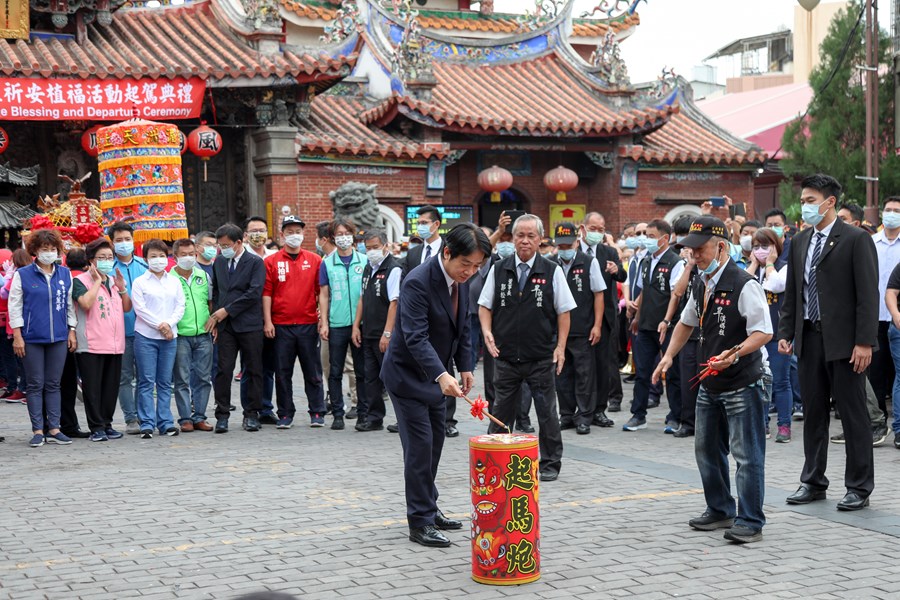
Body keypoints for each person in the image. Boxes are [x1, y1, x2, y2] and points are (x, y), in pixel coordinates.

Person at [653, 215, 772, 544]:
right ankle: (720, 508)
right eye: (690, 250)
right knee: (706, 448)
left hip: (741, 380)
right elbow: (685, 322)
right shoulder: (699, 281)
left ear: (721, 247)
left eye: (700, 249)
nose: (694, 256)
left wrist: (733, 354)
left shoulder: (744, 283)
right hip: (710, 381)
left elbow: (763, 331)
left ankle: (750, 519)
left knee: (746, 454)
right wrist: (668, 355)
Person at [382, 223, 489, 548]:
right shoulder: (417, 282)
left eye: (476, 266)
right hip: (408, 376)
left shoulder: (460, 282)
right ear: (447, 253)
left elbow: (464, 328)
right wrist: (442, 374)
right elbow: (415, 336)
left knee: (436, 443)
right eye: (465, 264)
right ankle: (420, 521)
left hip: (436, 377)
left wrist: (466, 367)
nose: (470, 272)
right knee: (420, 447)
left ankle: (430, 505)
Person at [780, 174, 878, 512]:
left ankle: (859, 486)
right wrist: (786, 332)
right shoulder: (799, 242)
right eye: (804, 200)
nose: (805, 206)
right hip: (809, 337)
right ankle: (813, 481)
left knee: (853, 415)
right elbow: (795, 291)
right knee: (814, 413)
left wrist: (864, 342)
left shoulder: (855, 239)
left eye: (810, 200)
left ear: (829, 202)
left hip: (846, 343)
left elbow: (868, 295)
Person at [479, 214, 574, 481]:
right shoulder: (499, 268)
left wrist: (560, 347)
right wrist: (487, 331)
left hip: (541, 356)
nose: (525, 241)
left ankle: (550, 464)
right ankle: (492, 462)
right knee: (500, 414)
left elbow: (564, 311)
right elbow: (485, 305)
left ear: (540, 239)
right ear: (512, 237)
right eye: (520, 235)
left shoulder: (551, 269)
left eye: (531, 236)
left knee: (546, 414)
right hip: (506, 357)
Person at [10, 229, 77, 447]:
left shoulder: (65, 274)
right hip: (31, 337)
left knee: (53, 383)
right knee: (35, 383)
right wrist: (17, 335)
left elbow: (69, 306)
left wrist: (72, 330)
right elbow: (15, 306)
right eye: (44, 249)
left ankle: (55, 428)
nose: (49, 253)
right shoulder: (23, 274)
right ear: (35, 251)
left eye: (52, 249)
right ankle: (38, 429)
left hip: (58, 336)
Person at [262, 215, 325, 429]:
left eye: (297, 231)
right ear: (281, 235)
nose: (294, 236)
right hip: (281, 325)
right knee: (282, 372)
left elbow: (322, 293)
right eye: (289, 232)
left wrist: (321, 319)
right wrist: (268, 322)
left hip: (308, 324)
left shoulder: (315, 260)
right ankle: (285, 413)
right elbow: (267, 294)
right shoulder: (271, 261)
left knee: (313, 371)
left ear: (303, 234)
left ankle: (317, 411)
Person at [207, 223, 267, 433]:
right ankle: (222, 415)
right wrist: (215, 317)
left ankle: (252, 414)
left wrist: (227, 310)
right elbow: (216, 292)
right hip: (226, 327)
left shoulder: (255, 262)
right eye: (220, 245)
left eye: (226, 245)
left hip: (249, 324)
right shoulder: (219, 262)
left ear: (239, 242)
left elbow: (254, 293)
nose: (223, 249)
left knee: (253, 369)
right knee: (223, 370)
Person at [628, 218, 685, 432]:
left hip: (667, 327)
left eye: (651, 237)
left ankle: (674, 416)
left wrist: (667, 320)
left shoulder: (675, 261)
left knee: (671, 373)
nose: (647, 240)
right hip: (645, 325)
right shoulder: (645, 260)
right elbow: (644, 291)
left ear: (665, 238)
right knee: (642, 370)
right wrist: (636, 316)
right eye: (646, 236)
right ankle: (638, 414)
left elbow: (675, 295)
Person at [73, 238, 131, 442]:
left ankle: (107, 424)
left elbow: (126, 308)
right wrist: (97, 281)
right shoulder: (80, 281)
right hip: (91, 344)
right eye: (101, 258)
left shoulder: (113, 282)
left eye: (109, 257)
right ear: (90, 260)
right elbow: (86, 304)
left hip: (114, 344)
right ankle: (96, 427)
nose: (107, 261)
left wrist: (122, 288)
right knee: (93, 388)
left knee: (110, 387)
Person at [553, 222, 605, 434]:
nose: (565, 250)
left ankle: (584, 417)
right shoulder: (550, 264)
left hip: (583, 329)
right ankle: (566, 415)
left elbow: (598, 293)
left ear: (576, 241)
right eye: (561, 246)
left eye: (568, 245)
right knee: (561, 375)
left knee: (584, 375)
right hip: (558, 333)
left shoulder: (588, 262)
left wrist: (597, 325)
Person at [131, 239, 185, 439]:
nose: (158, 260)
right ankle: (146, 423)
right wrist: (161, 325)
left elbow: (180, 306)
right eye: (153, 256)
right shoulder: (140, 282)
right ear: (146, 259)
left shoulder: (174, 280)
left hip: (169, 336)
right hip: (146, 336)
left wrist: (169, 324)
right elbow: (140, 309)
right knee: (146, 381)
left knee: (164, 382)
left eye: (162, 255)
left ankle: (165, 422)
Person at [318, 218, 367, 430]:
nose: (343, 237)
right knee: (335, 370)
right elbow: (324, 294)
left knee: (361, 371)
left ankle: (363, 412)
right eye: (339, 234)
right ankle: (337, 412)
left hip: (361, 324)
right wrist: (324, 322)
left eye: (347, 233)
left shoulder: (364, 261)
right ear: (332, 238)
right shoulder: (327, 263)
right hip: (337, 324)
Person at [578, 212, 626, 428]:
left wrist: (617, 270)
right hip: (578, 317)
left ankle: (599, 410)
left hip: (605, 318)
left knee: (602, 366)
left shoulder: (608, 252)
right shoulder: (572, 250)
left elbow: (623, 276)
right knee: (578, 366)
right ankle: (576, 411)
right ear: (583, 228)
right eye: (593, 228)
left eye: (601, 229)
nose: (597, 233)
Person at [352, 229, 401, 432]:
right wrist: (356, 326)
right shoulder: (368, 267)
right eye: (368, 248)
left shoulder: (394, 268)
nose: (371, 251)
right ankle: (374, 417)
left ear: (385, 246)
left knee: (392, 378)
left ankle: (403, 418)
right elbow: (363, 298)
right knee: (370, 377)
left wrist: (387, 333)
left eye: (375, 247)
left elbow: (394, 302)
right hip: (369, 332)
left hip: (385, 334)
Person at [746, 227, 792, 442]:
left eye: (765, 246)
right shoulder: (753, 270)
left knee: (781, 381)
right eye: (756, 246)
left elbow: (776, 285)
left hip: (778, 334)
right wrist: (754, 264)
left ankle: (784, 425)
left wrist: (770, 262)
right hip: (756, 334)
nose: (761, 250)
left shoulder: (783, 267)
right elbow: (739, 287)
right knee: (760, 381)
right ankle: (762, 423)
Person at [661, 216, 699, 438]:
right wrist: (689, 266)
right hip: (688, 330)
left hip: (709, 331)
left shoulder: (715, 265)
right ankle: (687, 421)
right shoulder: (686, 265)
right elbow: (677, 292)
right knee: (686, 378)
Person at [171, 238, 215, 432]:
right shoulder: (169, 278)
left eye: (191, 254)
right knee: (182, 378)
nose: (188, 258)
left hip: (204, 334)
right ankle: (185, 418)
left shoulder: (203, 276)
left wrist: (213, 323)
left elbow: (210, 302)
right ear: (175, 257)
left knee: (204, 378)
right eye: (184, 254)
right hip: (180, 334)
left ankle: (200, 417)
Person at [110, 221, 147, 435]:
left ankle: (144, 415)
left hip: (144, 331)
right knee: (124, 377)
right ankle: (130, 418)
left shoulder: (144, 265)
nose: (124, 244)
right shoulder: (108, 267)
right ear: (112, 243)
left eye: (127, 239)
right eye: (119, 240)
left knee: (144, 376)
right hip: (119, 332)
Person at [867, 198, 900, 438]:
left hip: (897, 318)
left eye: (896, 211)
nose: (891, 214)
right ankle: (879, 424)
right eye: (887, 210)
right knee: (876, 373)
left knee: (895, 375)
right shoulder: (870, 243)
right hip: (875, 315)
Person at [241, 216, 277, 423]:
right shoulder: (240, 257)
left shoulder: (274, 257)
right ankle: (250, 409)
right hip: (248, 321)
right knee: (250, 367)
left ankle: (265, 407)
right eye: (253, 231)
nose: (258, 234)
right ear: (245, 235)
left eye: (261, 230)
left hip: (273, 319)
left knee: (268, 367)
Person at [58, 248, 90, 439]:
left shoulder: (62, 278)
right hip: (88, 337)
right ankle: (72, 425)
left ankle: (64, 423)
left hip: (65, 335)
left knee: (64, 383)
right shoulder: (87, 279)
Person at [0, 250, 28, 402]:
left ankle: (22, 388)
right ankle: (21, 387)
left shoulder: (19, 275)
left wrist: (8, 276)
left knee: (18, 358)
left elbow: (4, 294)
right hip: (16, 322)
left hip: (16, 322)